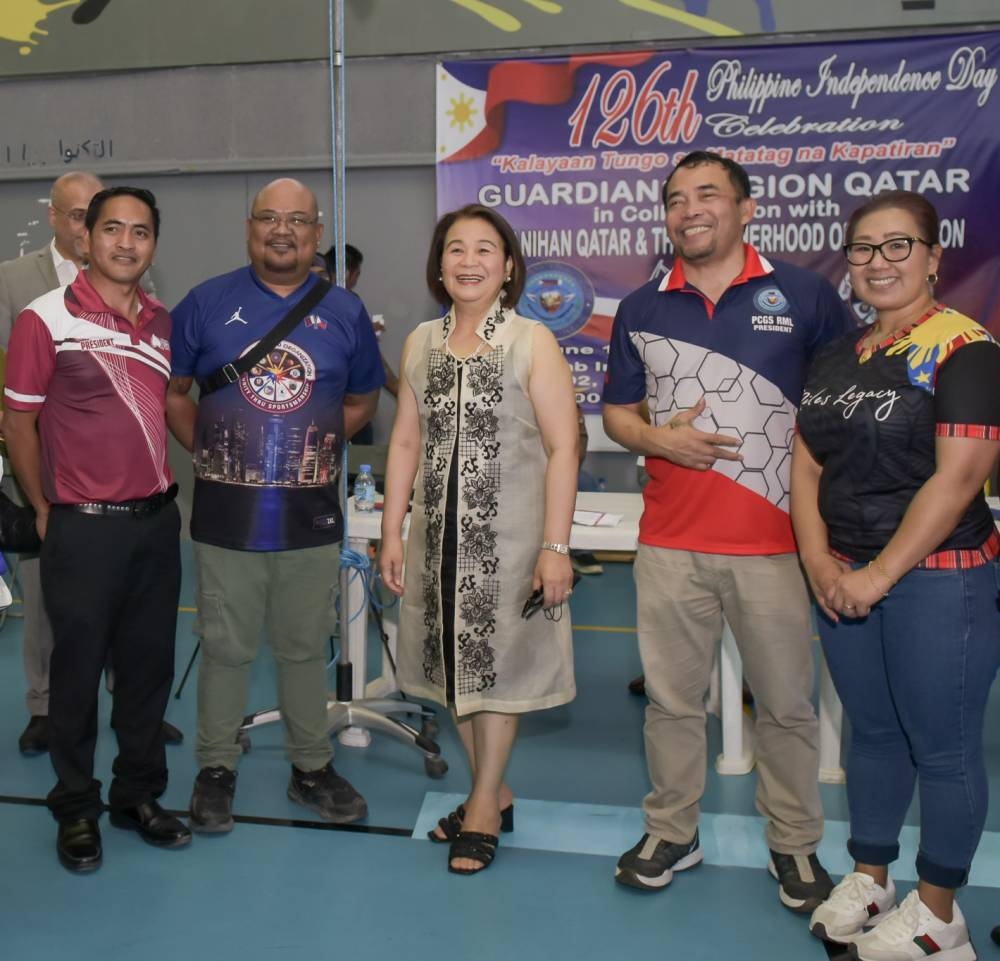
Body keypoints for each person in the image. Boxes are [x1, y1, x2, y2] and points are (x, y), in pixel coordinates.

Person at [602, 151, 850, 909]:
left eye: (708, 194)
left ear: (748, 208)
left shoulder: (806, 296)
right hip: (670, 545)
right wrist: (657, 441)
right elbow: (618, 413)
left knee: (786, 707)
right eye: (676, 199)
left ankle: (795, 844)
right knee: (673, 704)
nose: (690, 209)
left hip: (777, 546)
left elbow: (844, 406)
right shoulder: (641, 308)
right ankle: (673, 828)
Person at [793, 190, 1000, 959]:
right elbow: (807, 458)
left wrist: (876, 575)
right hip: (842, 578)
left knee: (943, 747)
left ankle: (941, 914)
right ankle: (872, 875)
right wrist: (818, 559)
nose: (878, 262)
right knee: (872, 736)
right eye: (862, 248)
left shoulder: (966, 348)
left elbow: (957, 480)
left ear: (933, 256)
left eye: (897, 246)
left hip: (938, 582)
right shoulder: (839, 353)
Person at [167, 178, 384, 833]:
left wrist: (307, 452)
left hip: (310, 516)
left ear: (317, 233)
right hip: (225, 516)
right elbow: (175, 393)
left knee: (300, 646)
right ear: (249, 227)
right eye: (268, 218)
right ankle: (215, 769)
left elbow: (363, 399)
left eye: (296, 220)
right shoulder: (205, 303)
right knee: (225, 646)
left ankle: (311, 768)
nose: (281, 230)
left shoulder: (344, 310)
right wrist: (210, 450)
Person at [379, 204, 578, 875]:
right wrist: (392, 531)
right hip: (437, 541)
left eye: (484, 250)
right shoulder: (419, 343)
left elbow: (564, 446)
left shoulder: (531, 341)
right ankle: (495, 787)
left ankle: (485, 803)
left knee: (497, 675)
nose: (469, 261)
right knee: (454, 674)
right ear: (439, 266)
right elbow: (406, 438)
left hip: (512, 544)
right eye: (455, 249)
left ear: (508, 266)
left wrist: (555, 546)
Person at [3, 186, 190, 872]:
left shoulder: (163, 323)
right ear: (88, 237)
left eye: (141, 232)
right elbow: (17, 422)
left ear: (153, 244)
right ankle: (76, 806)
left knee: (147, 672)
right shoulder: (43, 318)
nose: (126, 243)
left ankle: (136, 794)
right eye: (112, 228)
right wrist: (45, 506)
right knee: (76, 677)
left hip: (155, 523)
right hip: (82, 527)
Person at [326, 243, 399, 444]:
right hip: (347, 407)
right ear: (349, 273)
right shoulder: (348, 304)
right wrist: (401, 393)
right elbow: (373, 361)